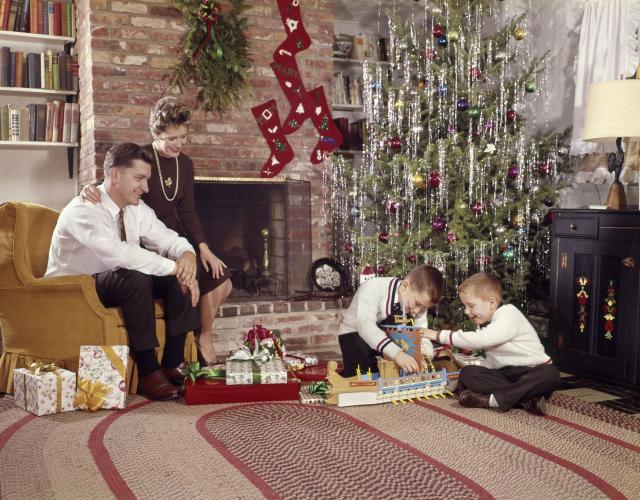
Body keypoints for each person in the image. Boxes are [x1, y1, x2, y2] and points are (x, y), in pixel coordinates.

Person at [81, 97, 232, 365]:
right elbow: (113, 179)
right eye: (171, 138)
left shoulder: (185, 164)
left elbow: (188, 211)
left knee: (222, 277)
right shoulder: (142, 157)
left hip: (174, 239)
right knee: (184, 277)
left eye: (183, 137)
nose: (178, 144)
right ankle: (177, 355)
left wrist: (203, 248)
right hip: (145, 241)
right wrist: (88, 188)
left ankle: (204, 335)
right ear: (155, 134)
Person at [46, 143, 201, 401]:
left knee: (177, 281)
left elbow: (168, 238)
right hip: (75, 287)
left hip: (115, 281)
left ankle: (172, 365)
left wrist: (186, 257)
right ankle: (148, 372)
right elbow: (118, 254)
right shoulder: (84, 209)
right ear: (116, 176)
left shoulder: (136, 208)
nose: (146, 188)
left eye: (147, 179)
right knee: (136, 275)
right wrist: (175, 268)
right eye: (139, 178)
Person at [422, 272, 560, 416]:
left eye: (470, 305)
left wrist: (438, 335)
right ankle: (526, 400)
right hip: (505, 375)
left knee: (551, 374)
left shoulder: (508, 314)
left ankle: (491, 401)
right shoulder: (485, 322)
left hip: (531, 371)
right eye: (465, 306)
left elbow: (482, 339)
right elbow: (493, 360)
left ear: (492, 303)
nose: (467, 312)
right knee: (467, 374)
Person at [338, 264, 444, 377]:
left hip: (387, 336)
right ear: (404, 286)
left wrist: (425, 354)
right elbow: (366, 328)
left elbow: (422, 332)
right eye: (417, 304)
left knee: (394, 374)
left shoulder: (417, 304)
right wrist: (397, 354)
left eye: (423, 308)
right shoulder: (373, 287)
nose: (417, 311)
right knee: (363, 377)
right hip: (355, 334)